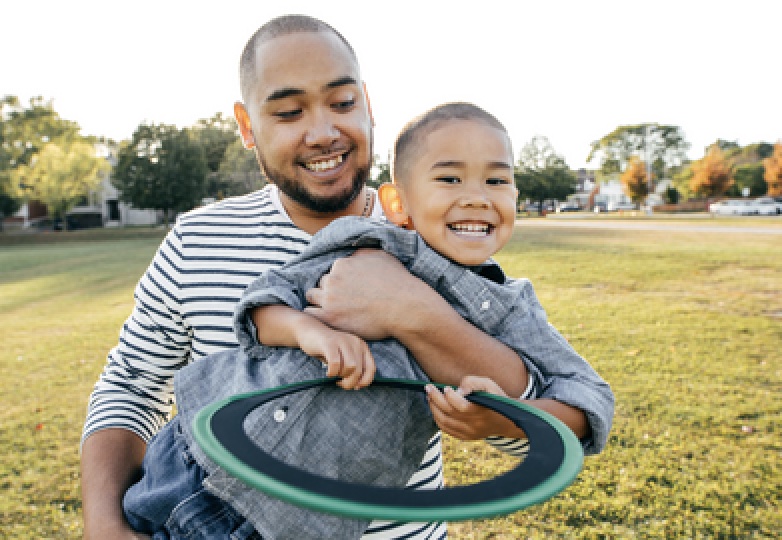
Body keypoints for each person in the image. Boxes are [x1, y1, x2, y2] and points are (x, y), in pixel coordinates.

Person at [80, 15, 603, 540]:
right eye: (288, 111)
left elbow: (534, 420)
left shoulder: (447, 242)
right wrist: (104, 526)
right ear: (246, 125)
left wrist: (412, 313)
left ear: (369, 105)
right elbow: (130, 385)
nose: (324, 132)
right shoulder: (196, 241)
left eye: (343, 102)